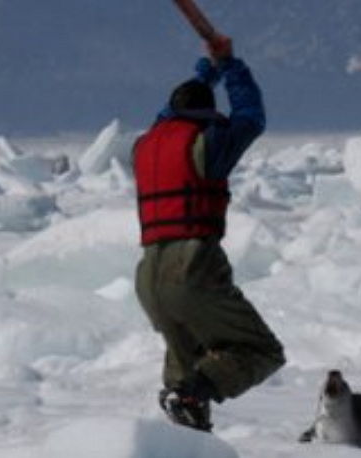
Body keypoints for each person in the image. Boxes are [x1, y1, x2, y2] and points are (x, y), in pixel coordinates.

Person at [132, 34, 285, 432]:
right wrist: (233, 68)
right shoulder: (207, 144)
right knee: (258, 350)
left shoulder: (147, 144)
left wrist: (208, 72)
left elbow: (173, 110)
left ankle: (184, 440)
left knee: (186, 376)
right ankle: (192, 396)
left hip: (149, 278)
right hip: (193, 267)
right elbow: (251, 118)